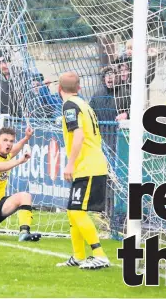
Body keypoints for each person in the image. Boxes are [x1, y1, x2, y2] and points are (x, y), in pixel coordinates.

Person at [56, 71, 110, 270]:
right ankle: (78, 256)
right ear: (79, 88)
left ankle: (99, 254)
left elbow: (78, 136)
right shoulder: (84, 104)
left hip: (88, 166)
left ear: (58, 89)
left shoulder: (69, 106)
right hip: (89, 165)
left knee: (77, 211)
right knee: (72, 211)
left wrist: (69, 164)